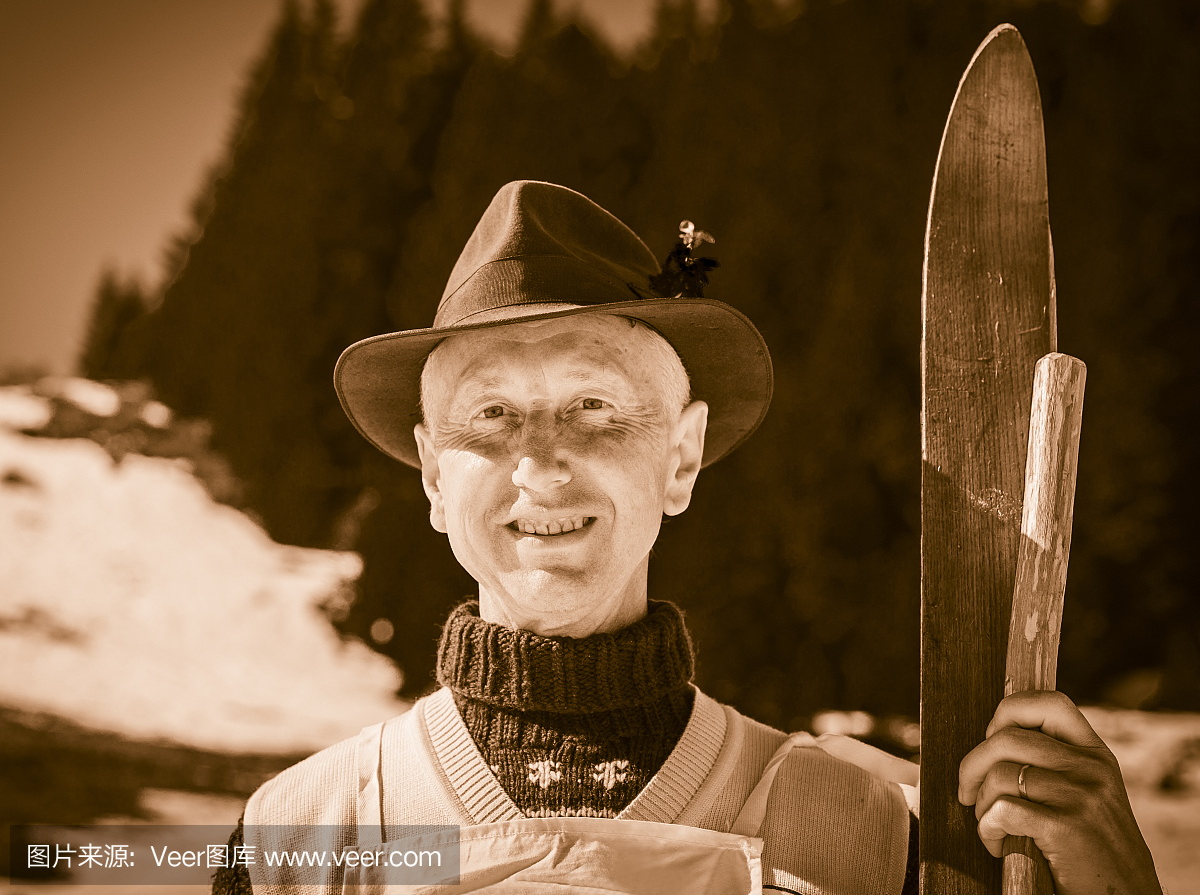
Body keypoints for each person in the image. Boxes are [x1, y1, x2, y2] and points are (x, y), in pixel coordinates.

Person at [213, 181, 1160, 895]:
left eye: (594, 407)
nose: (540, 464)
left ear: (681, 456)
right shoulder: (298, 841)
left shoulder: (863, 839)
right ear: (430, 473)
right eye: (491, 416)